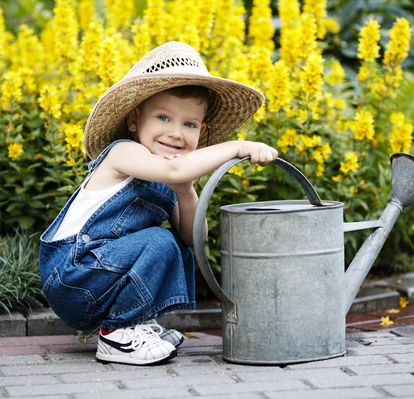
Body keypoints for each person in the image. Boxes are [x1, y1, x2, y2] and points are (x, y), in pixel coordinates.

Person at [39, 41, 277, 366]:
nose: (175, 133)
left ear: (202, 131)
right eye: (163, 117)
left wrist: (185, 191)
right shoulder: (123, 153)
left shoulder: (170, 175)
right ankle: (118, 333)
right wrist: (238, 147)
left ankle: (136, 322)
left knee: (179, 244)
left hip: (99, 279)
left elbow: (196, 238)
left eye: (189, 124)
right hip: (72, 275)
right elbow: (173, 167)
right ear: (135, 119)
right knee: (159, 240)